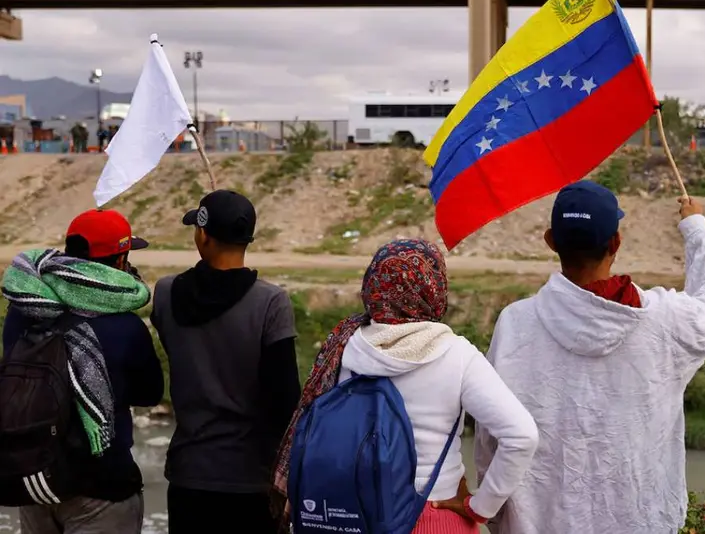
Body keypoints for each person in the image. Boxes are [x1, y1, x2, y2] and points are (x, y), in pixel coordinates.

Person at [475, 181, 705, 534]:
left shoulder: (515, 324)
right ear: (616, 243)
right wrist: (694, 228)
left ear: (550, 241)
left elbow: (490, 435)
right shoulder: (663, 319)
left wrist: (491, 510)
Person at [272, 239, 538, 534]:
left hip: (348, 516)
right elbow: (521, 435)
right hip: (433, 515)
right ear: (434, 287)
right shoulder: (457, 355)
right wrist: (482, 506)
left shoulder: (344, 347)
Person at [0, 210, 163, 534]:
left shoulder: (22, 309)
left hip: (35, 480)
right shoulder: (124, 326)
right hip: (103, 485)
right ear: (120, 261)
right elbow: (150, 393)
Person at [151, 189, 301, 534]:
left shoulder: (166, 293)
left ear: (202, 234)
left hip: (190, 475)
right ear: (247, 238)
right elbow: (286, 404)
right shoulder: (270, 302)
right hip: (252, 478)